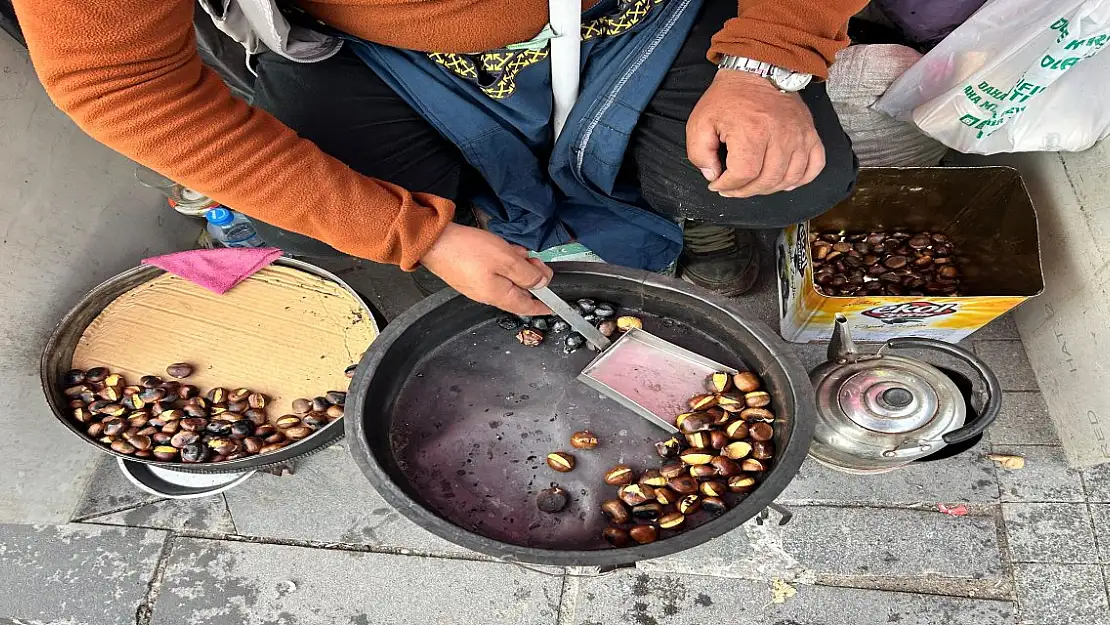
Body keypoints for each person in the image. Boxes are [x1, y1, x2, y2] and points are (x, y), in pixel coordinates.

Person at [14, 0, 863, 316]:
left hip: (646, 15)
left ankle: (686, 212)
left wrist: (771, 57)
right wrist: (411, 234)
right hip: (375, 44)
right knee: (345, 206)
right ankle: (470, 234)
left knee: (776, 179)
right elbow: (120, 77)